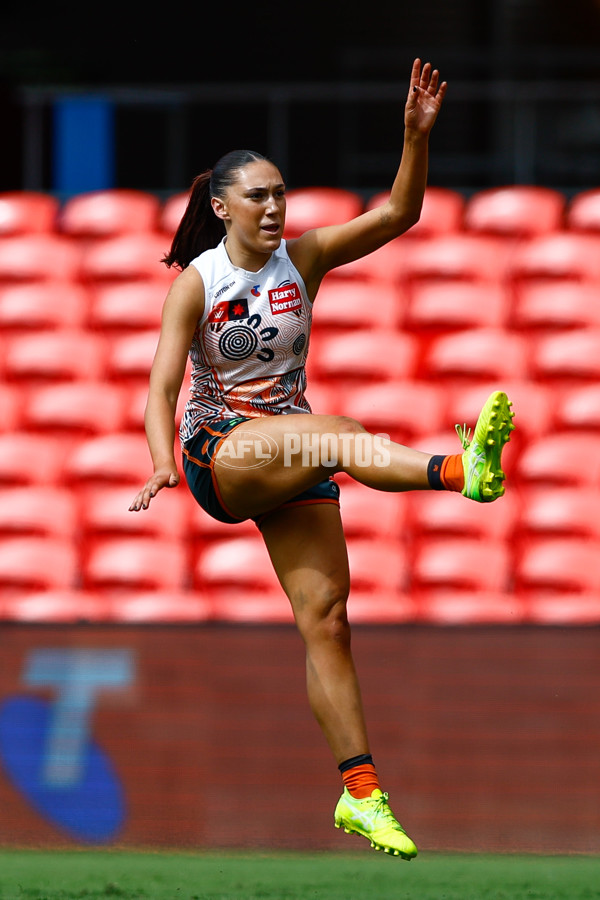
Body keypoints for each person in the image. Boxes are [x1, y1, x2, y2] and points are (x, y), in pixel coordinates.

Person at [130, 59, 515, 859]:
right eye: (258, 196)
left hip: (290, 450)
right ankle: (459, 473)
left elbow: (401, 213)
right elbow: (161, 385)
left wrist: (415, 138)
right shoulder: (198, 284)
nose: (275, 207)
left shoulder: (303, 258)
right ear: (221, 206)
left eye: (281, 193)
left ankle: (361, 794)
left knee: (329, 622)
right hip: (221, 453)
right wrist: (161, 458)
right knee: (334, 432)